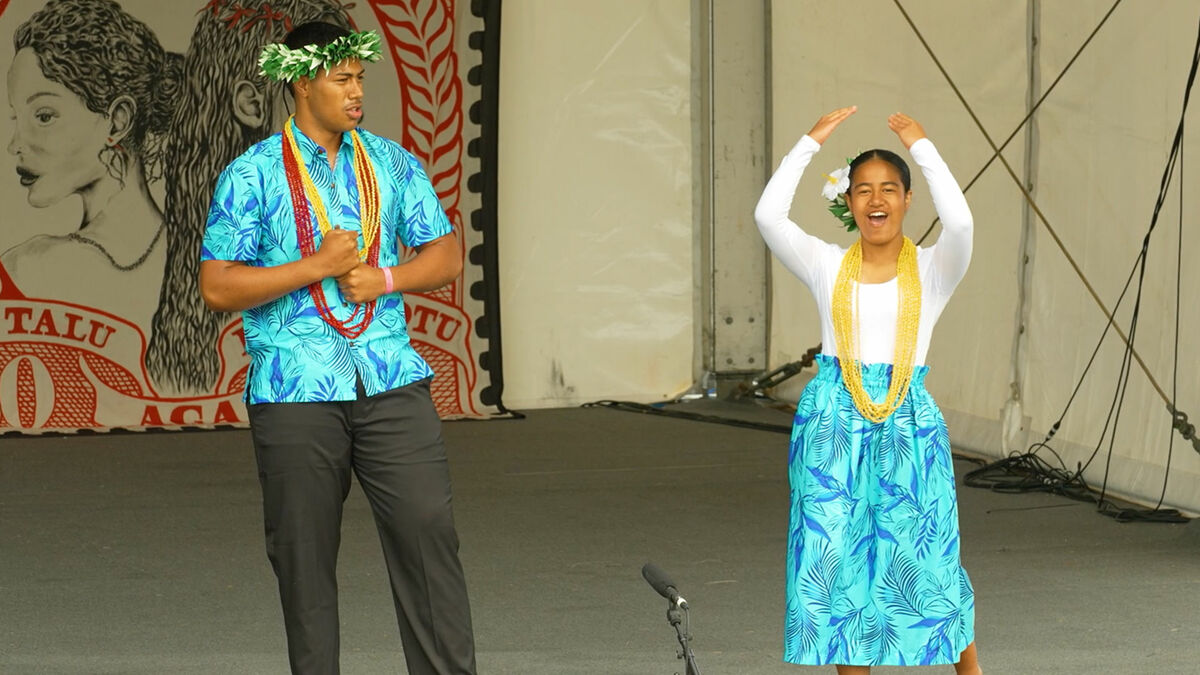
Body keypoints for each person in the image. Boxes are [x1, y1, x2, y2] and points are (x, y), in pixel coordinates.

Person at [198, 21, 476, 675]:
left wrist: (385, 277)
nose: (356, 92)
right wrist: (315, 266)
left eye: (361, 78)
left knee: (428, 533)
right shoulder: (253, 175)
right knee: (304, 559)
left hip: (390, 379)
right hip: (295, 390)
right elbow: (217, 284)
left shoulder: (390, 162)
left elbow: (445, 251)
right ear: (300, 81)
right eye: (341, 78)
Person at [754, 106, 982, 674]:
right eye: (861, 190)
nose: (875, 200)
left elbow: (962, 225)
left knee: (925, 554)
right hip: (833, 416)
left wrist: (922, 145)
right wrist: (808, 144)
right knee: (836, 559)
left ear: (906, 200)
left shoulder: (934, 268)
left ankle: (971, 671)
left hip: (906, 417)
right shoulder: (826, 264)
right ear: (847, 202)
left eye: (888, 189)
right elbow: (768, 215)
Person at [148, 0, 355, 396]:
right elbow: (217, 292)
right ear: (253, 104)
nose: (350, 103)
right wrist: (319, 266)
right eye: (327, 85)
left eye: (353, 80)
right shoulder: (242, 190)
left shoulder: (373, 173)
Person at [4, 0, 180, 334]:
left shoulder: (26, 269)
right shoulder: (24, 266)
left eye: (43, 116)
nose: (14, 145)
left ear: (117, 121)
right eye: (17, 118)